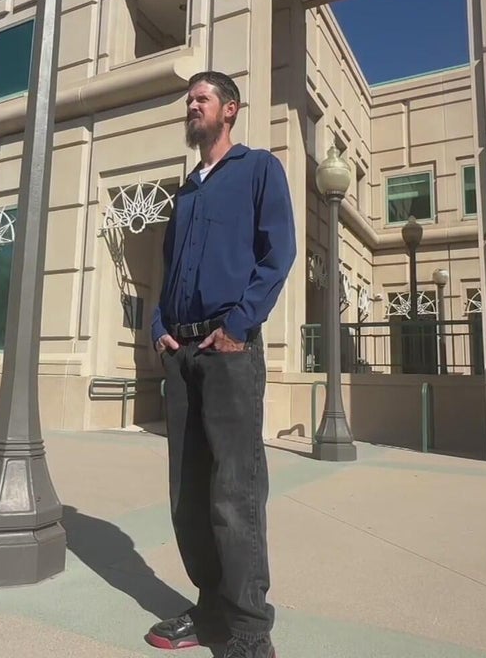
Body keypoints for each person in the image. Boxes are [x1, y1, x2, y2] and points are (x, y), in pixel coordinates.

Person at [146, 71, 296, 658]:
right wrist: (158, 327)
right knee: (188, 494)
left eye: (201, 99)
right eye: (189, 100)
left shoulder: (259, 169)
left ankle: (250, 629)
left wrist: (237, 327)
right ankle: (211, 608)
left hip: (229, 352)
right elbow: (166, 269)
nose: (192, 106)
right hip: (181, 355)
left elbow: (277, 253)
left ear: (229, 109)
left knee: (235, 492)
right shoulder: (186, 192)